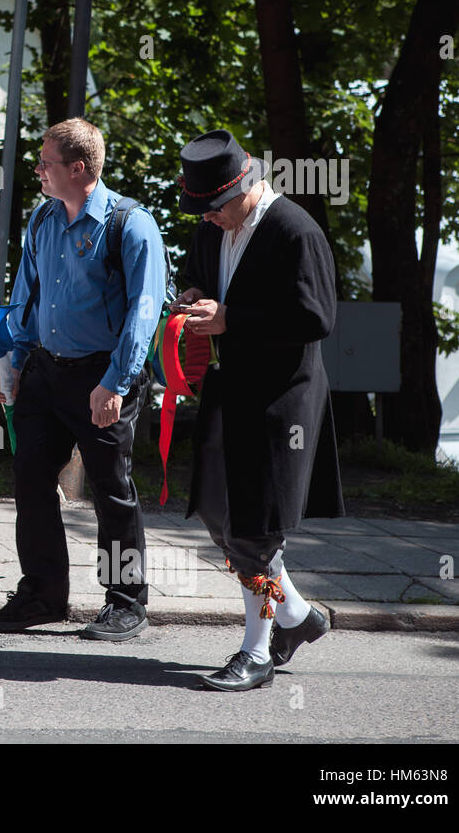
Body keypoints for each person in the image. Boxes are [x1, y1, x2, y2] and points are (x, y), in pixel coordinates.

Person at [173, 129, 344, 691]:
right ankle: (296, 616)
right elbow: (196, 275)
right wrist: (194, 300)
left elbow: (315, 318)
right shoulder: (214, 224)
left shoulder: (296, 230)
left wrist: (230, 318)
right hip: (229, 391)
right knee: (218, 512)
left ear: (246, 186)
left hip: (280, 402)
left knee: (255, 529)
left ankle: (258, 650)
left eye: (213, 207)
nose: (207, 219)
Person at [0, 117, 165, 641]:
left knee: (112, 489)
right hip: (44, 370)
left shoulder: (130, 224)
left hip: (102, 375)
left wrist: (116, 382)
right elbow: (26, 298)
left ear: (78, 168)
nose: (38, 169)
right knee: (31, 479)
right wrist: (12, 364)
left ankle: (126, 601)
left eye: (46, 162)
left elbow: (144, 312)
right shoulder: (43, 220)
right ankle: (43, 593)